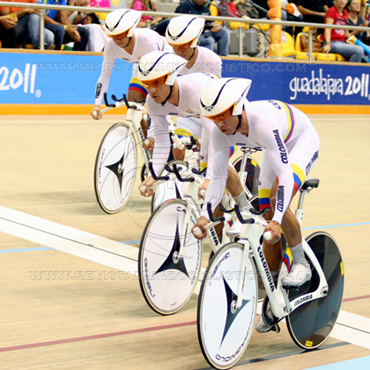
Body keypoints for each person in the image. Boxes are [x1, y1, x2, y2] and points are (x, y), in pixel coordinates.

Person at [193, 78, 321, 330]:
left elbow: (284, 175)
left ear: (237, 108)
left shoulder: (261, 123)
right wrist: (205, 216)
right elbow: (217, 177)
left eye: (222, 116)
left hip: (300, 141)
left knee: (275, 202)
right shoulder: (221, 130)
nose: (218, 123)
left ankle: (301, 263)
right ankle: (274, 293)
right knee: (264, 220)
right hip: (273, 146)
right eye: (213, 118)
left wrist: (277, 219)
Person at [137, 51, 247, 220]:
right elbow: (161, 143)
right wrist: (153, 175)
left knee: (214, 160)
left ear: (170, 78)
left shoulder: (195, 90)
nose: (151, 90)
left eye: (157, 82)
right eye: (146, 84)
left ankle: (244, 207)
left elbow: (215, 138)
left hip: (228, 117)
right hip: (196, 117)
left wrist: (210, 176)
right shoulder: (153, 101)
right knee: (180, 150)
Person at [143, 14, 223, 154]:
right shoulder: (167, 59)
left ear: (194, 42)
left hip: (210, 117)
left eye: (184, 46)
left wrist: (206, 135)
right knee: (178, 150)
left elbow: (215, 96)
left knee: (209, 155)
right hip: (188, 116)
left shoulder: (211, 60)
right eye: (175, 46)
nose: (179, 51)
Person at [90, 9, 173, 138]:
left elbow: (156, 74)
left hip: (164, 64)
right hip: (141, 66)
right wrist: (97, 104)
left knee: (157, 106)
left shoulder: (147, 40)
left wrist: (151, 104)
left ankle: (169, 139)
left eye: (121, 34)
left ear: (130, 30)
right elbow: (104, 76)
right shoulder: (111, 46)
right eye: (113, 36)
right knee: (134, 106)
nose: (118, 40)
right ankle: (150, 145)